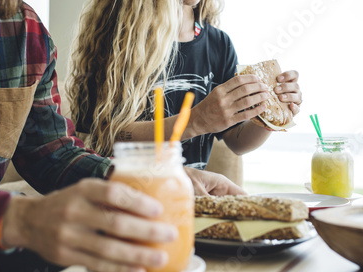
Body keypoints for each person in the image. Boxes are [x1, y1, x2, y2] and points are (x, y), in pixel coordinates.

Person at [0, 1, 244, 272]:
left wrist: (144, 179)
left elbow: (50, 150)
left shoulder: (27, 31)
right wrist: (16, 218)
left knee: (130, 257)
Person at [68, 0, 302, 169]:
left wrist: (269, 117)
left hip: (190, 202)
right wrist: (196, 121)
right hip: (126, 196)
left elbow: (237, 141)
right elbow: (104, 135)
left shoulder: (219, 44)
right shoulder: (119, 38)